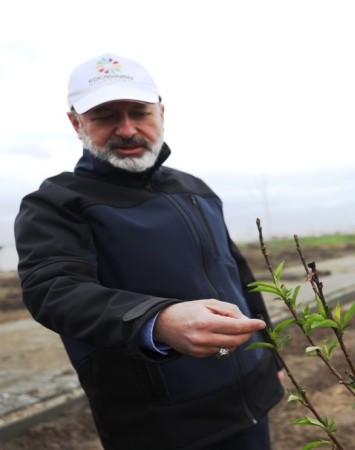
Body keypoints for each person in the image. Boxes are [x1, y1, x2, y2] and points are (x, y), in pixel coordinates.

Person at [14, 54, 284, 450]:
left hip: (249, 404)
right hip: (161, 426)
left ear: (161, 111)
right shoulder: (56, 203)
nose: (127, 130)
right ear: (76, 122)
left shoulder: (195, 190)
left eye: (139, 112)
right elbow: (54, 290)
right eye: (106, 116)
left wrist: (272, 360)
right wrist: (157, 321)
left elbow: (240, 280)